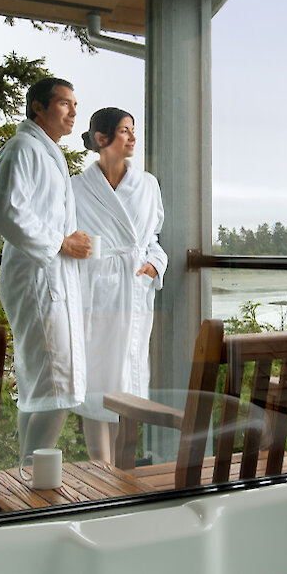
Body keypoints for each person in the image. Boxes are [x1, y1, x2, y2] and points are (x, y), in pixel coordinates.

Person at [0, 77, 93, 463]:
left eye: (75, 105)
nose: (73, 112)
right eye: (65, 103)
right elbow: (4, 212)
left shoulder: (48, 154)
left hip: (50, 280)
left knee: (39, 386)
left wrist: (70, 241)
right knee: (57, 386)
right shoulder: (22, 149)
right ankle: (32, 477)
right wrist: (62, 243)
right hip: (37, 281)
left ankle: (24, 479)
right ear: (38, 107)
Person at [72, 107, 167, 461]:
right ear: (102, 139)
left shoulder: (148, 185)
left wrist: (154, 266)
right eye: (125, 131)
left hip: (133, 290)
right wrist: (100, 255)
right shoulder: (76, 188)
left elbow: (153, 239)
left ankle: (122, 468)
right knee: (96, 380)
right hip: (95, 291)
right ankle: (100, 466)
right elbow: (69, 239)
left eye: (133, 130)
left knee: (129, 377)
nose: (133, 138)